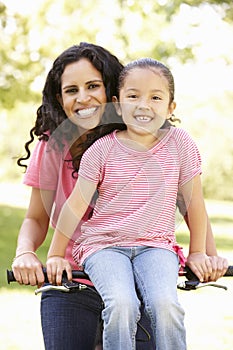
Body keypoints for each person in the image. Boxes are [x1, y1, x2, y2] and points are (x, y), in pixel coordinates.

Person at [12, 43, 227, 350]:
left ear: (111, 91)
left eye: (93, 86)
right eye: (71, 90)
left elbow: (192, 205)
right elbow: (36, 217)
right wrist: (25, 253)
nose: (83, 97)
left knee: (154, 311)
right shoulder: (53, 146)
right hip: (72, 279)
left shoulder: (158, 140)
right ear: (60, 98)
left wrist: (206, 254)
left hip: (140, 276)